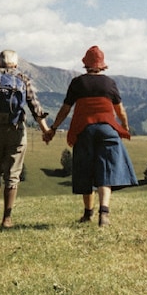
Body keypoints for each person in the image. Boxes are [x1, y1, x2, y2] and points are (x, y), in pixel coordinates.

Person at [43, 46, 138, 227]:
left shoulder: (78, 83)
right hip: (107, 130)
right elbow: (120, 111)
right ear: (102, 66)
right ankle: (104, 212)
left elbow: (65, 109)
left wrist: (53, 128)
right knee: (106, 172)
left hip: (84, 130)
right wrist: (125, 127)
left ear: (86, 64)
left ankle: (88, 214)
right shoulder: (110, 83)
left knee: (85, 171)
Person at [0, 50, 52, 229]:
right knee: (13, 174)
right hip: (15, 130)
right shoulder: (22, 78)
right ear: (15, 64)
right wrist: (46, 130)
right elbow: (35, 106)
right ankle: (7, 218)